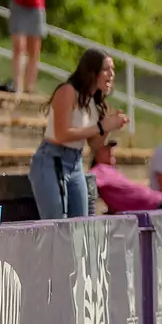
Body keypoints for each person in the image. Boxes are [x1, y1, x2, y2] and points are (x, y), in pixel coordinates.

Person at [30, 49, 128, 219]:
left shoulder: (94, 101)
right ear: (92, 71)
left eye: (113, 70)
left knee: (80, 223)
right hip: (52, 159)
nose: (111, 74)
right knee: (56, 222)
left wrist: (109, 126)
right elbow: (61, 135)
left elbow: (95, 145)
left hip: (75, 162)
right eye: (106, 69)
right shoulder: (67, 92)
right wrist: (101, 126)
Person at [89, 137, 162, 214]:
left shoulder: (111, 170)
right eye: (106, 148)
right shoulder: (99, 170)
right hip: (151, 206)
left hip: (156, 201)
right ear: (96, 152)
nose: (110, 151)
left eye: (111, 147)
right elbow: (87, 183)